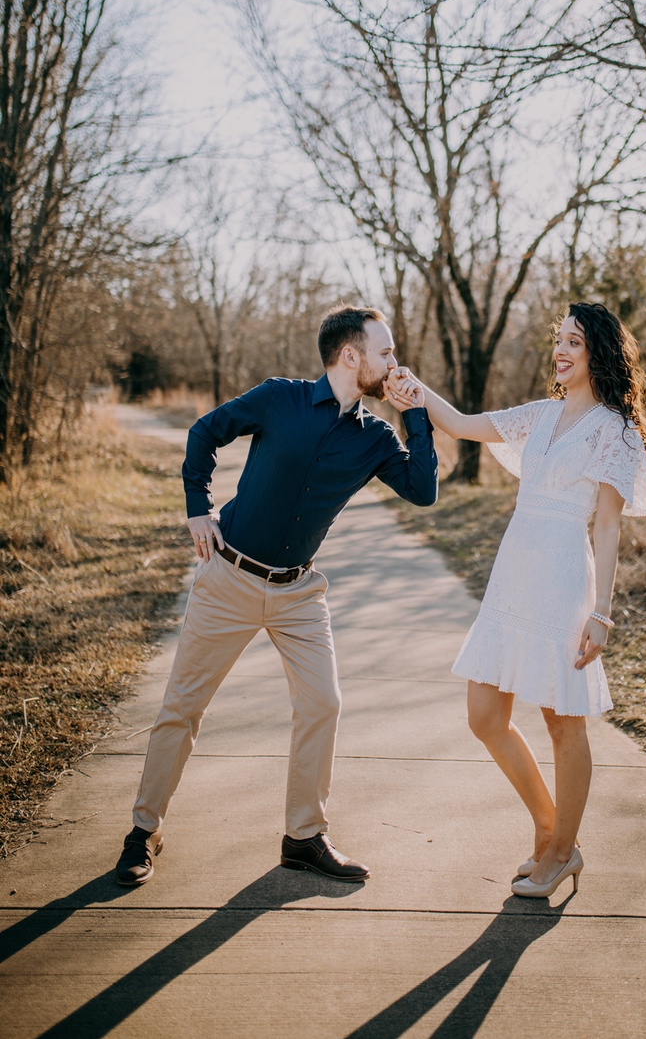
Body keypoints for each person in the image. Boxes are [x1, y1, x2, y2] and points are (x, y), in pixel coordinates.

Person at [114, 305, 437, 888]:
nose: (396, 363)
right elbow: (204, 432)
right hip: (229, 579)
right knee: (181, 708)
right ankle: (143, 831)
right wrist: (197, 507)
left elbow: (423, 491)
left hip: (299, 595)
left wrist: (416, 416)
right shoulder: (278, 398)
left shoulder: (376, 437)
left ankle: (303, 838)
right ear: (350, 355)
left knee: (322, 704)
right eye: (386, 352)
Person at [388, 301, 646, 899]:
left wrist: (602, 612)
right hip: (513, 575)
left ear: (599, 352)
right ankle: (548, 825)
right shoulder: (542, 413)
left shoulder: (616, 431)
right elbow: (461, 423)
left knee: (562, 723)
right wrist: (413, 387)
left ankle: (561, 852)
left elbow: (607, 526)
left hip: (564, 582)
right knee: (484, 716)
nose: (560, 350)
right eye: (559, 339)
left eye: (574, 342)